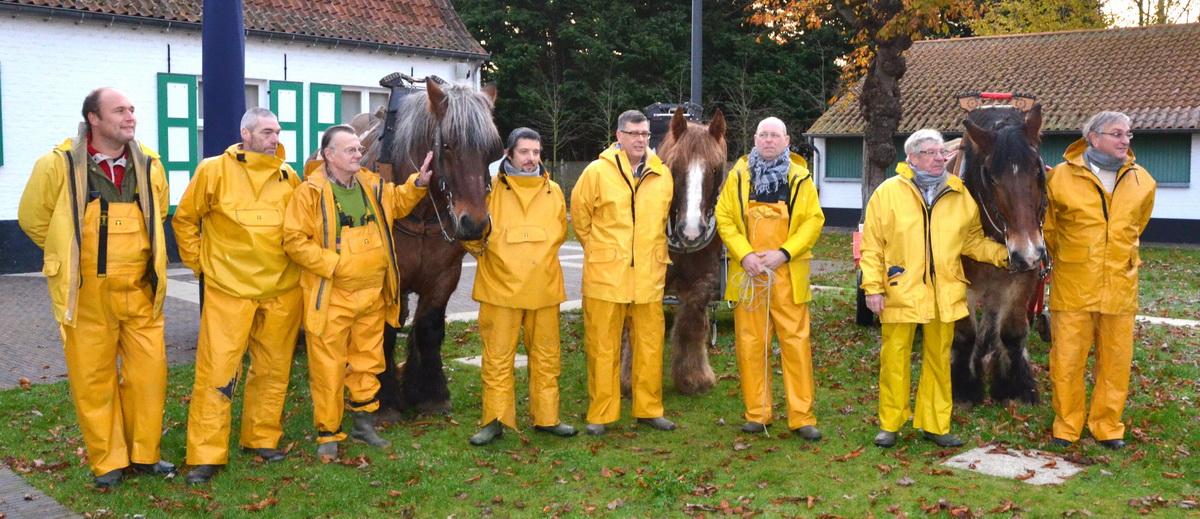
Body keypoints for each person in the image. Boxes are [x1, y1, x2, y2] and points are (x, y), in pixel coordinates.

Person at [18, 87, 174, 487]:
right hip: (86, 293)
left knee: (148, 377)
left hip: (140, 290)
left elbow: (158, 212)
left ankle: (144, 455)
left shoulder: (151, 165)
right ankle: (108, 462)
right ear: (94, 119)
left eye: (132, 110)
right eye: (119, 110)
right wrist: (66, 253)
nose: (130, 117)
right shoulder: (58, 165)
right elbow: (33, 219)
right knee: (93, 380)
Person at [283, 125, 431, 459]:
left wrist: (418, 184)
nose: (357, 154)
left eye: (358, 148)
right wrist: (333, 265)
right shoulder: (309, 193)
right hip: (332, 296)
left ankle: (364, 424)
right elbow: (293, 240)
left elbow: (398, 201)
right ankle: (328, 435)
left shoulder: (372, 184)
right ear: (328, 155)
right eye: (349, 149)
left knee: (368, 361)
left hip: (372, 296)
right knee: (328, 366)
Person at [173, 107, 303, 484]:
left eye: (277, 131)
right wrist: (202, 266)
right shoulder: (213, 170)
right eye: (266, 132)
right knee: (217, 370)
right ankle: (206, 453)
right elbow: (185, 219)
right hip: (229, 290)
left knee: (273, 368)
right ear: (245, 134)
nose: (274, 138)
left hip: (281, 289)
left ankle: (262, 437)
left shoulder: (287, 174)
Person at [860, 129, 1008, 448]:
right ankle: (890, 423)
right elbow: (872, 246)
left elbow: (971, 241)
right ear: (911, 157)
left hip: (944, 294)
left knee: (939, 361)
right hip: (899, 290)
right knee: (894, 358)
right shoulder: (887, 193)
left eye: (941, 152)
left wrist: (1005, 255)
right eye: (930, 152)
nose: (939, 158)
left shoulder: (959, 193)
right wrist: (872, 287)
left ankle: (936, 424)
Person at [1044, 111, 1155, 450]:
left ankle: (1107, 426)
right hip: (1074, 284)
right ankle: (1067, 426)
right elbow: (1049, 230)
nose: (1125, 140)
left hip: (1120, 287)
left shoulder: (1143, 181)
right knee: (1066, 361)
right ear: (1093, 137)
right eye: (1117, 133)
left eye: (1129, 134)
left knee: (1116, 362)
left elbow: (1138, 226)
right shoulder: (1059, 178)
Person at [714, 117, 825, 441]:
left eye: (774, 135)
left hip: (787, 275)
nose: (768, 140)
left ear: (787, 139)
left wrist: (784, 253)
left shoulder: (800, 177)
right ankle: (756, 413)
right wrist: (744, 254)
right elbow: (724, 218)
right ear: (755, 138)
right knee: (750, 346)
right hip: (749, 276)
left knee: (796, 345)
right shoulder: (737, 177)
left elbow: (813, 222)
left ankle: (801, 417)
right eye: (763, 134)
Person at [465, 128, 576, 445]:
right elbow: (472, 234)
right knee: (498, 357)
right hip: (499, 290)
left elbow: (557, 234)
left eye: (536, 152)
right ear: (509, 153)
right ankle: (495, 419)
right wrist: (491, 257)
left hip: (544, 289)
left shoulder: (554, 190)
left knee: (547, 356)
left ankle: (547, 417)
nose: (531, 159)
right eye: (524, 152)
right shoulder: (488, 190)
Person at [570, 110, 675, 436]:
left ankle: (649, 409)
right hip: (606, 278)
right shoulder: (596, 172)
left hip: (649, 276)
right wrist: (604, 253)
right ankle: (601, 413)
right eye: (633, 133)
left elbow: (663, 221)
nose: (640, 139)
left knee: (650, 345)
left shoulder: (663, 175)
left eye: (645, 134)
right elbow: (580, 216)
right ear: (619, 136)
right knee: (603, 346)